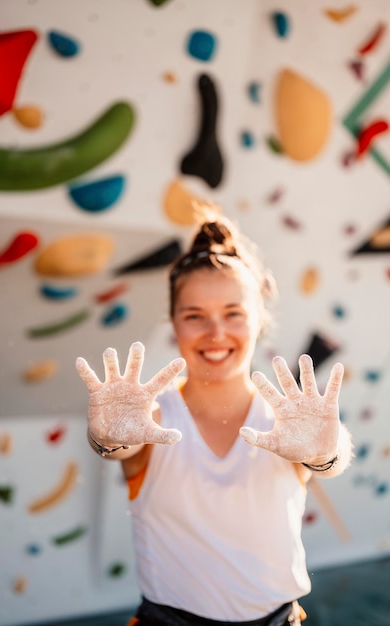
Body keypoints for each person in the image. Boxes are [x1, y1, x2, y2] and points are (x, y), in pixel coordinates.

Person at [75, 213, 353, 626]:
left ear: (259, 318)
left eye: (233, 313)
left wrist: (326, 452)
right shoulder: (153, 417)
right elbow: (121, 444)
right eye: (194, 316)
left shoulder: (288, 418)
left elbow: (327, 455)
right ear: (173, 324)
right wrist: (107, 438)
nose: (215, 332)